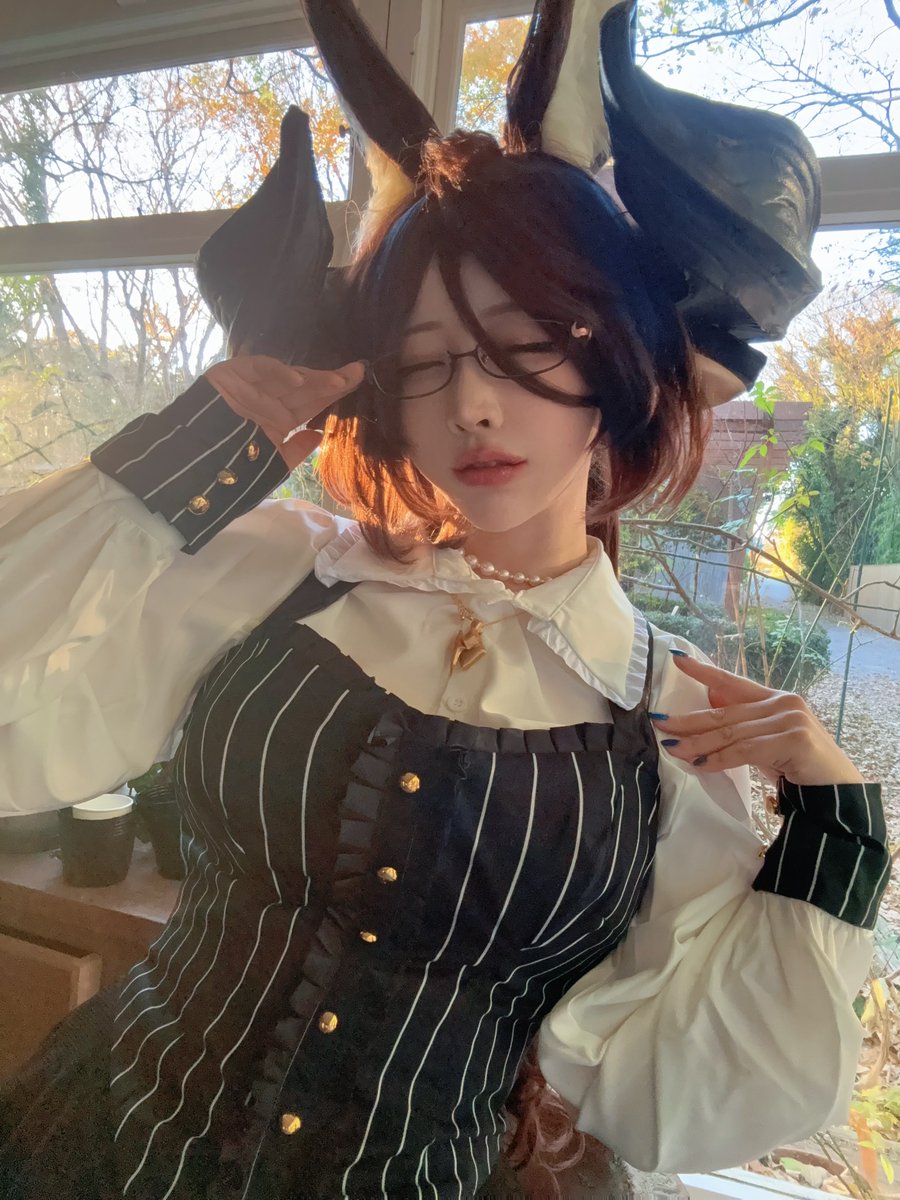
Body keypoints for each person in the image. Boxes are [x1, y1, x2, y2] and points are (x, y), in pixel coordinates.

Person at [0, 0, 890, 1197]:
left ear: (620, 364)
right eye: (424, 361)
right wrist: (178, 464)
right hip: (91, 1149)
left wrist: (835, 827)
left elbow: (688, 1092)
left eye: (531, 343)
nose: (473, 404)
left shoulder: (670, 730)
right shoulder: (279, 574)